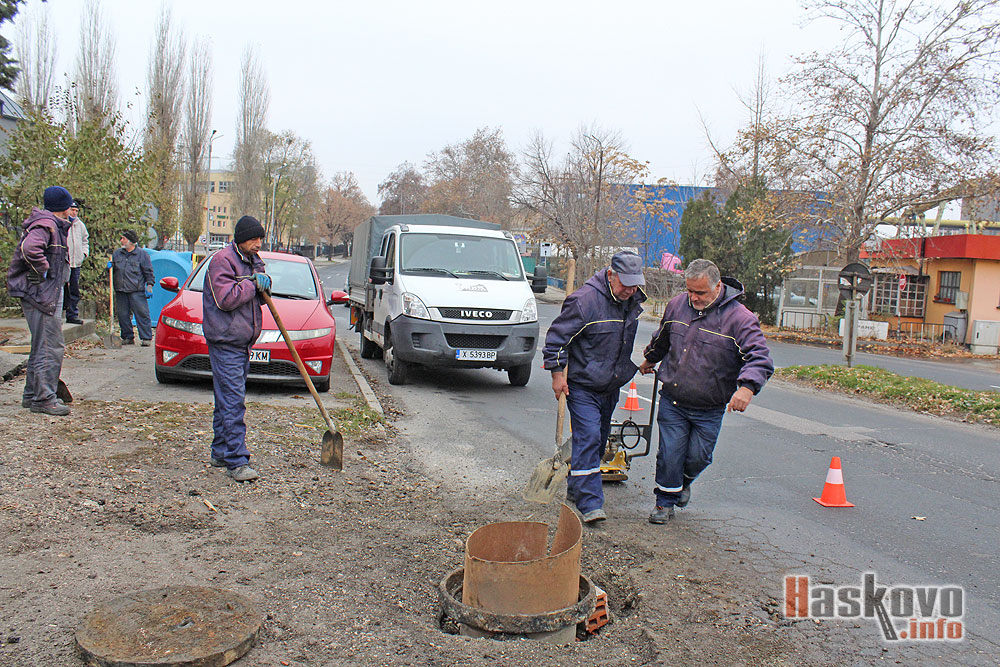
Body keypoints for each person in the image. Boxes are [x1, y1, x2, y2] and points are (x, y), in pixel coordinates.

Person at [639, 259, 774, 524]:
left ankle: (682, 482)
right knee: (670, 454)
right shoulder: (677, 306)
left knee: (698, 457)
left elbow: (759, 357)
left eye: (700, 292)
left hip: (710, 406)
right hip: (674, 400)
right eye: (690, 291)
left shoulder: (740, 319)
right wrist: (650, 358)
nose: (693, 297)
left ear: (717, 286)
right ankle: (664, 503)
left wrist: (747, 387)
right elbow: (662, 338)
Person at [542, 251, 646, 524]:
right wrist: (556, 374)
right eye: (626, 284)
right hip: (582, 386)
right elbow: (556, 340)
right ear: (611, 275)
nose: (631, 290)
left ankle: (577, 488)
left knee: (597, 443)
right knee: (587, 437)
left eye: (635, 285)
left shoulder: (631, 301)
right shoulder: (584, 301)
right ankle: (590, 504)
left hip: (610, 385)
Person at [202, 216, 271, 482]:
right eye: (254, 238)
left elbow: (258, 298)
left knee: (226, 399)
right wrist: (252, 284)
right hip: (225, 341)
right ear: (241, 238)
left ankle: (221, 452)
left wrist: (265, 284)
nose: (258, 243)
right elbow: (226, 299)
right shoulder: (222, 261)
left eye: (260, 238)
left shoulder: (253, 260)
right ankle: (237, 461)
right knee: (233, 401)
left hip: (242, 341)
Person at [6, 186, 74, 416]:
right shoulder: (46, 225)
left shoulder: (50, 224)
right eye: (70, 206)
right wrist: (44, 271)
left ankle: (32, 395)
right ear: (64, 207)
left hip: (41, 294)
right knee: (50, 346)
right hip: (42, 295)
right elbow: (30, 249)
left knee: (41, 345)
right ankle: (44, 399)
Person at [111, 229, 155, 346]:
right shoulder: (117, 254)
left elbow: (148, 271)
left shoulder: (142, 255)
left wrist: (149, 285)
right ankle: (127, 337)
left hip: (136, 290)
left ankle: (146, 338)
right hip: (121, 289)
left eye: (123, 239)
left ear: (131, 241)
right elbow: (113, 271)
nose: (121, 241)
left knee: (142, 314)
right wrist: (109, 268)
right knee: (123, 315)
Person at [64, 200, 89, 325]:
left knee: (74, 290)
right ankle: (57, 315)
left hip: (76, 263)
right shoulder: (62, 223)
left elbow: (85, 240)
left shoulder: (80, 225)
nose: (74, 213)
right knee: (62, 289)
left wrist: (84, 253)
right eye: (72, 210)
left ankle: (72, 315)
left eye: (76, 211)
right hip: (64, 262)